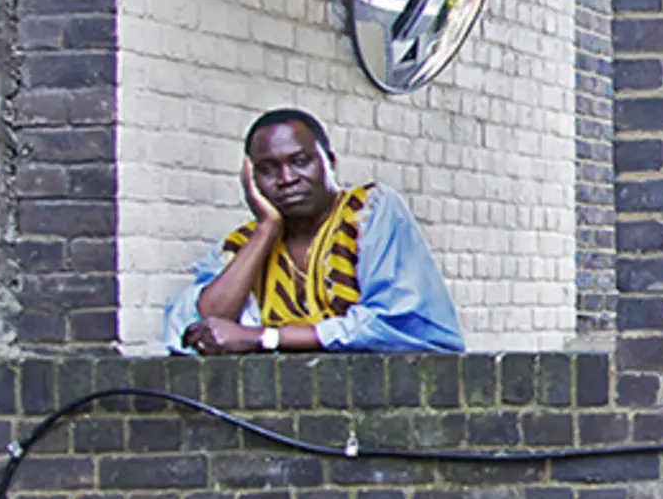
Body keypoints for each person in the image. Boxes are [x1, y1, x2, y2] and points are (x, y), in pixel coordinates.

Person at [164, 109, 464, 355]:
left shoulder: (368, 212)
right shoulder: (242, 245)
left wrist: (264, 337)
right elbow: (203, 328)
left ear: (330, 163)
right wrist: (267, 228)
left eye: (300, 161)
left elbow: (393, 323)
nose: (286, 179)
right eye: (268, 169)